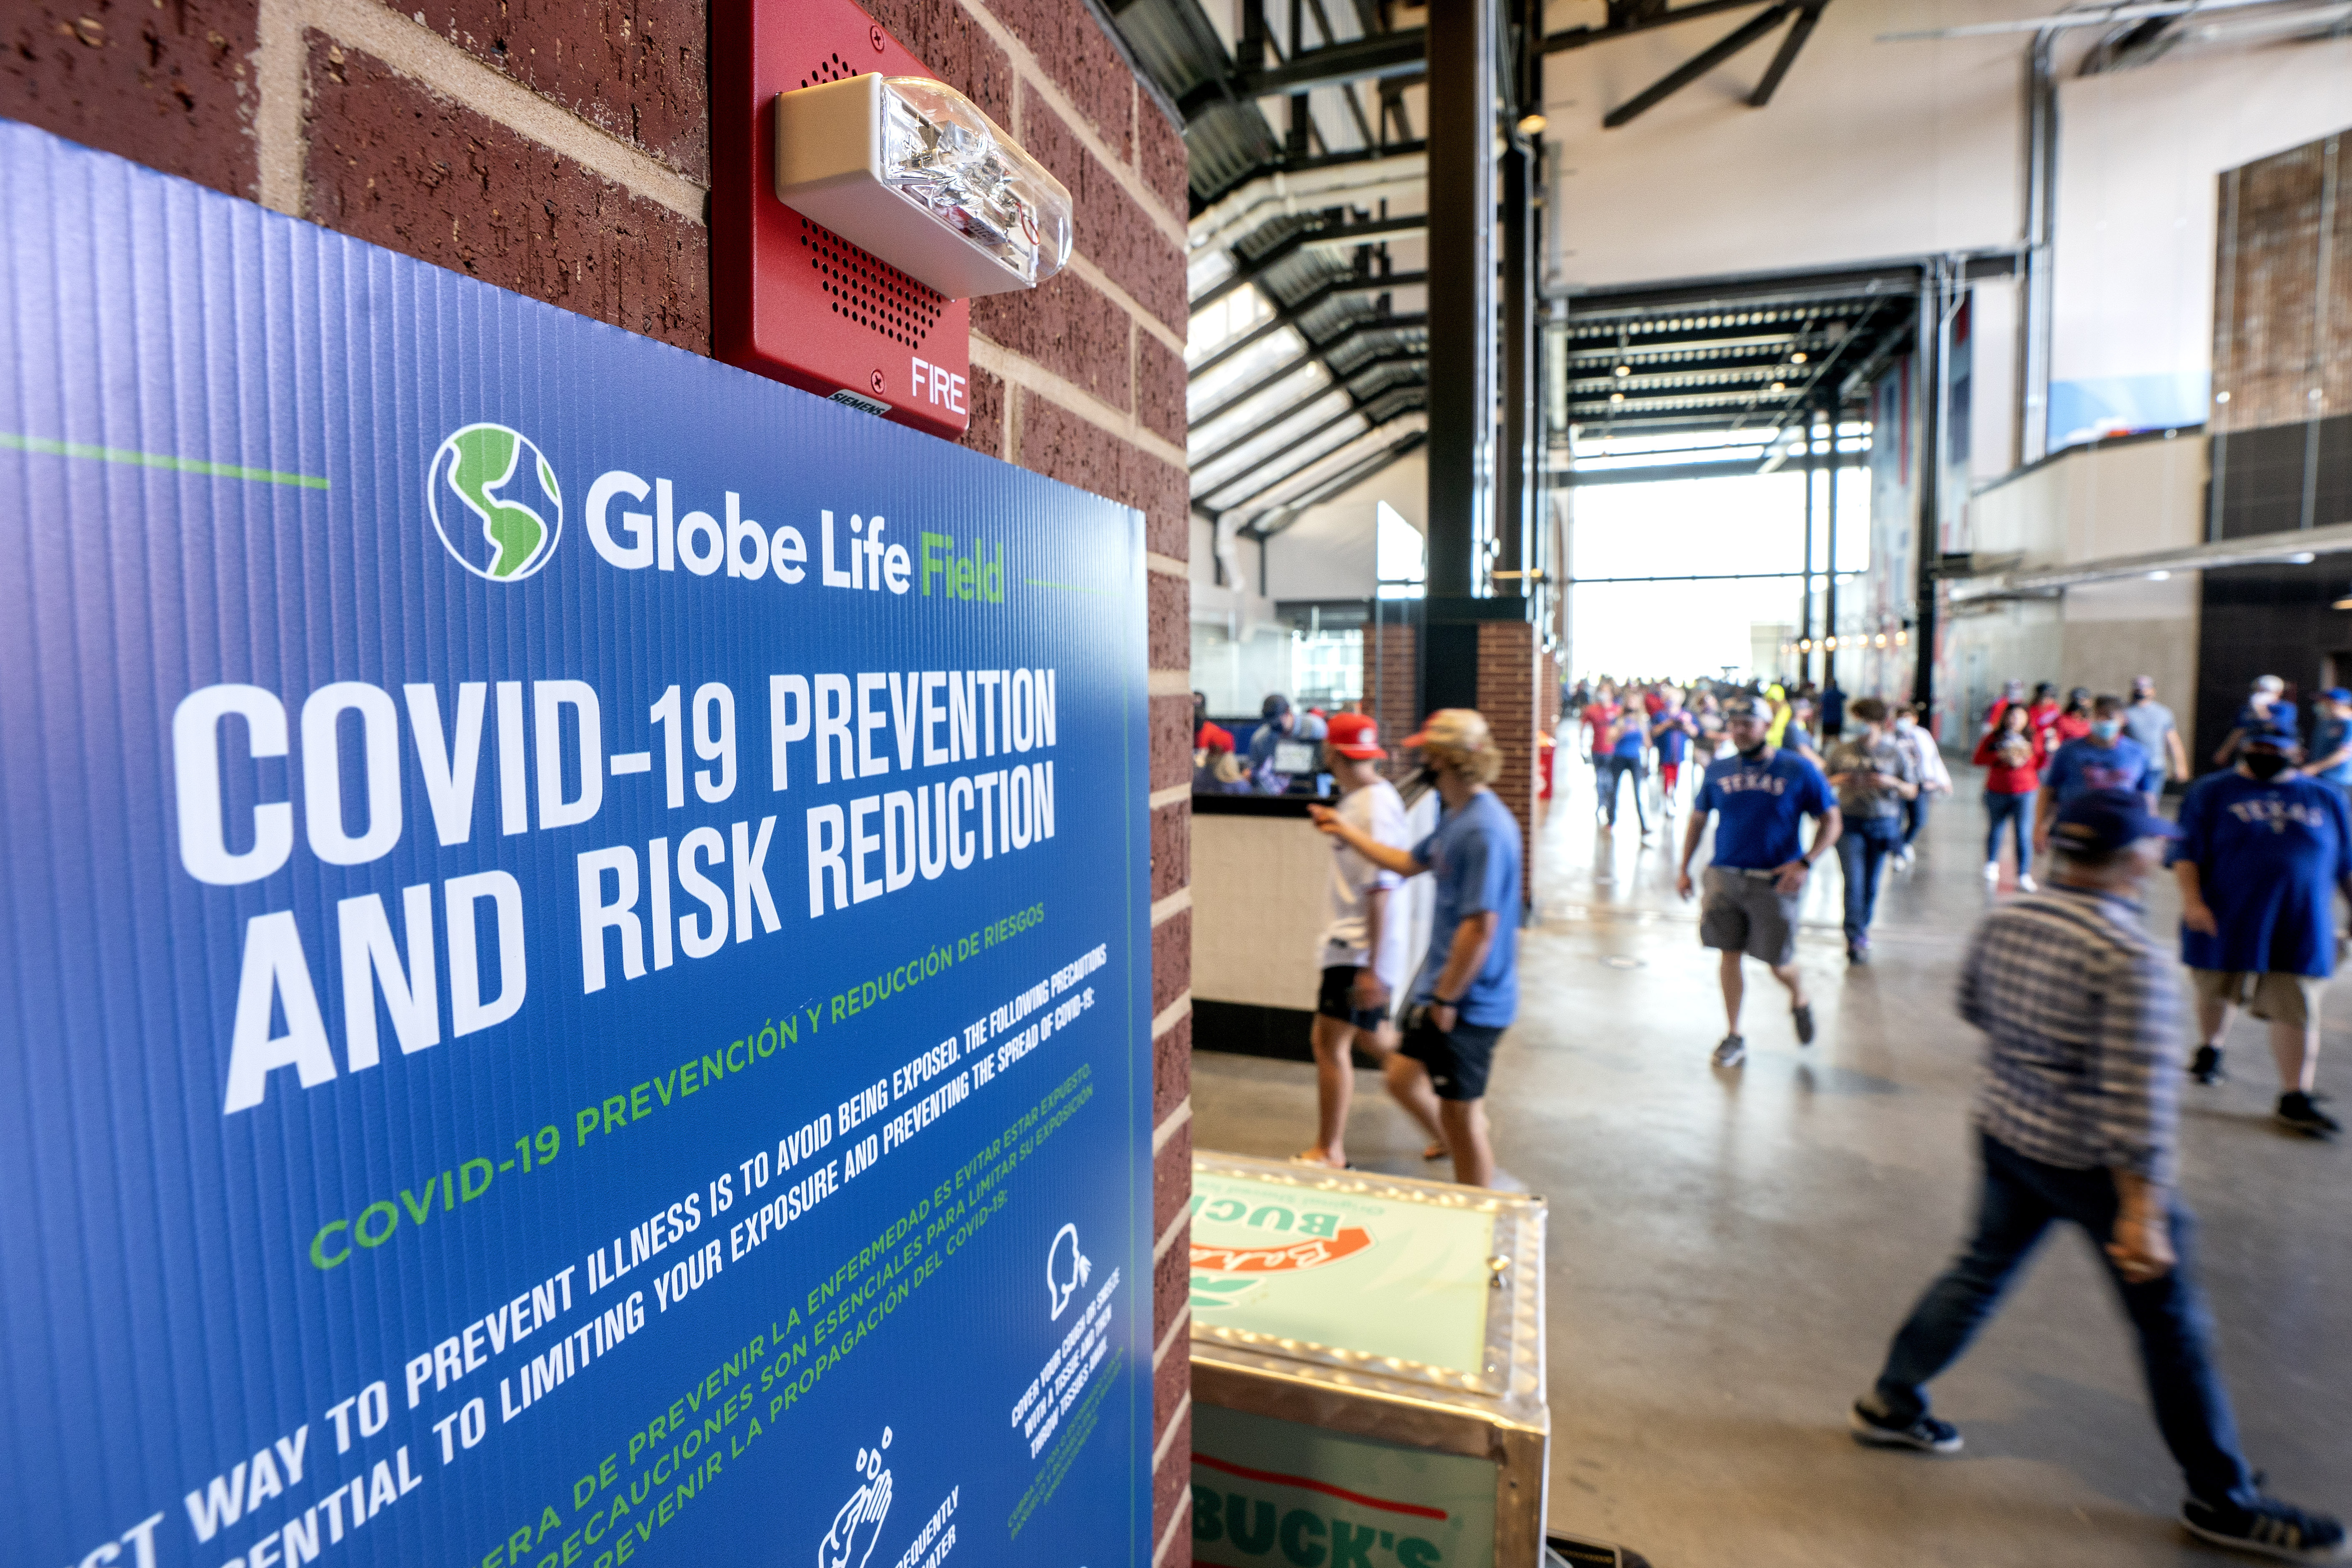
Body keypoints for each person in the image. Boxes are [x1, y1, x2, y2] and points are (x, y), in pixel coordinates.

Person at [1850, 788, 2344, 1563]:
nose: (2158, 851)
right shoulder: (2129, 957)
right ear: (2129, 858)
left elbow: (1972, 1006)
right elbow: (2137, 1099)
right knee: (2170, 1326)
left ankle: (1892, 1397)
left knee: (1978, 1269)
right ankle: (2220, 1497)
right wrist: (2141, 1211)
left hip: (2007, 1130)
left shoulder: (2008, 915)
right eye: (2151, 842)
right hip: (2091, 1164)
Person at [1310, 710, 1522, 1189]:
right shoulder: (1457, 818)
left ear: (1445, 759)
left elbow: (1480, 927)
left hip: (1471, 1000)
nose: (1421, 761)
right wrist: (1343, 830)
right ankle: (1458, 1149)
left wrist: (1446, 999)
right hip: (1441, 992)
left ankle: (1478, 1212)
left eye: (1428, 753)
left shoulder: (1483, 829)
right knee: (1403, 1077)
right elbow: (1405, 863)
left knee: (1464, 1119)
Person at [2172, 720, 2351, 1135]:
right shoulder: (2211, 791)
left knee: (2297, 1004)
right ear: (2244, 747)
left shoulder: (2325, 797)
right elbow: (2186, 852)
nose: (2265, 754)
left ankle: (2294, 1096)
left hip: (2300, 920)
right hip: (2225, 913)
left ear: (2296, 752)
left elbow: (2345, 861)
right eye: (2257, 746)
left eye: (2275, 748)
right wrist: (2193, 901)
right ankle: (2210, 1049)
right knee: (2216, 987)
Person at [1293, 714, 1445, 1170]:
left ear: (1332, 753)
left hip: (1355, 950)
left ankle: (1330, 1150)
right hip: (1358, 948)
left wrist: (1373, 967)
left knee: (1327, 1043)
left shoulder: (1373, 807)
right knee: (1375, 1040)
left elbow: (1381, 890)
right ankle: (1448, 1127)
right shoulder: (1365, 800)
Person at [1676, 697, 1843, 1066]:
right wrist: (1684, 867)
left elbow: (1832, 819)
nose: (1738, 731)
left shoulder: (1796, 769)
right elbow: (1699, 819)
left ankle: (1799, 995)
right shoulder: (1718, 770)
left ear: (1767, 727)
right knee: (1729, 953)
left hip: (1774, 882)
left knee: (1778, 963)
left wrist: (1804, 863)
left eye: (1747, 724)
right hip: (1725, 876)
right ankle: (1733, 1034)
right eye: (1733, 723)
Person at [1824, 697, 1919, 965]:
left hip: (1883, 823)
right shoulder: (1841, 751)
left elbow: (1912, 790)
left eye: (1861, 720)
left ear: (1876, 723)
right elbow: (1821, 782)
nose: (1857, 725)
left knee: (1871, 883)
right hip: (1849, 822)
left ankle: (1862, 928)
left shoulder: (1894, 753)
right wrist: (1840, 780)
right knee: (1853, 881)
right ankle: (1854, 937)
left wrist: (1889, 782)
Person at [2034, 694, 2151, 854]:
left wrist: (2149, 831)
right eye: (2099, 716)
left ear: (2123, 720)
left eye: (2109, 717)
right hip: (2074, 833)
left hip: (2119, 836)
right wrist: (2040, 827)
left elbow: (2146, 796)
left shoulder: (2138, 754)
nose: (2103, 721)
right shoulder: (2069, 751)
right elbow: (2049, 790)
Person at [1973, 702, 2044, 889]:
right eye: (2011, 716)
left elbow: (2041, 761)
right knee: (1996, 828)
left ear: (2027, 719)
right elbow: (1978, 759)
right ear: (2004, 718)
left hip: (2025, 792)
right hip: (1997, 790)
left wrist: (2026, 758)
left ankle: (2023, 874)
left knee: (2023, 833)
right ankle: (1991, 863)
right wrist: (2000, 756)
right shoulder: (1993, 738)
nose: (2015, 720)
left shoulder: (2033, 737)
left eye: (2019, 716)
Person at [1889, 704, 1950, 866]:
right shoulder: (1891, 737)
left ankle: (1905, 844)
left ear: (1915, 719)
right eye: (1901, 717)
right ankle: (1899, 854)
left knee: (1919, 820)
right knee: (1896, 820)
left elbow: (1933, 758)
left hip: (1920, 784)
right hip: (1898, 785)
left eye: (1908, 717)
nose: (1904, 721)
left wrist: (1943, 781)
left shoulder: (1923, 735)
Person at [2124, 675, 2191, 808]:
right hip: (2131, 766)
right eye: (2138, 689)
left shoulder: (2163, 713)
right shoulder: (2126, 712)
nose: (2141, 692)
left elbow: (2172, 741)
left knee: (2150, 804)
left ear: (2153, 691)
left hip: (2154, 767)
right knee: (2130, 804)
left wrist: (2180, 766)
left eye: (2145, 689)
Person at [2214, 674, 2297, 767]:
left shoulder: (2286, 708)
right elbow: (2240, 730)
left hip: (2277, 753)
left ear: (2279, 692)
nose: (2260, 694)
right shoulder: (2247, 709)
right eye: (2259, 690)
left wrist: (2260, 709)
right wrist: (2225, 752)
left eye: (2265, 691)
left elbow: (2275, 727)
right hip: (2251, 751)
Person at [1599, 704, 1651, 837]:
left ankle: (1643, 826)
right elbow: (1609, 739)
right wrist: (1623, 731)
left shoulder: (1642, 722)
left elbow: (1647, 743)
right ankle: (1611, 821)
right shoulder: (1618, 721)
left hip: (1635, 759)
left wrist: (1649, 763)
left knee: (1638, 793)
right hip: (1619, 758)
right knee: (1614, 790)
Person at [1650, 692, 1698, 819]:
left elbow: (1695, 732)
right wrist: (1667, 724)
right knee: (1667, 780)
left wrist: (1686, 724)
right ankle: (1667, 803)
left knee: (1676, 780)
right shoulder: (1661, 715)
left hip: (1679, 755)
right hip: (1665, 754)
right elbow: (1653, 732)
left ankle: (1673, 799)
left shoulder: (1686, 715)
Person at [2307, 687, 2352, 803]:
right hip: (2319, 778)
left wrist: (2314, 768)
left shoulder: (2349, 724)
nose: (2320, 705)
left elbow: (2343, 754)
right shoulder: (2325, 722)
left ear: (2337, 704)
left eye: (2324, 702)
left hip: (2338, 780)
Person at [1249, 694, 1297, 769]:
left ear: (1288, 711)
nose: (1273, 726)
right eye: (1270, 723)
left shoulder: (1313, 728)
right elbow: (1254, 769)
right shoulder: (1260, 739)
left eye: (1276, 722)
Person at [2050, 687, 2094, 751]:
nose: (2080, 703)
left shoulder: (2094, 720)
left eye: (2082, 700)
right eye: (2076, 700)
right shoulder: (2063, 721)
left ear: (2090, 702)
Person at [1819, 675, 1847, 741]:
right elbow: (1846, 696)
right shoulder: (1839, 694)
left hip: (1827, 719)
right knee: (1837, 737)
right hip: (1836, 719)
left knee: (1825, 737)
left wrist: (1819, 715)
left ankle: (1823, 750)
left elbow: (1821, 705)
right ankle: (1838, 751)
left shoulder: (1826, 694)